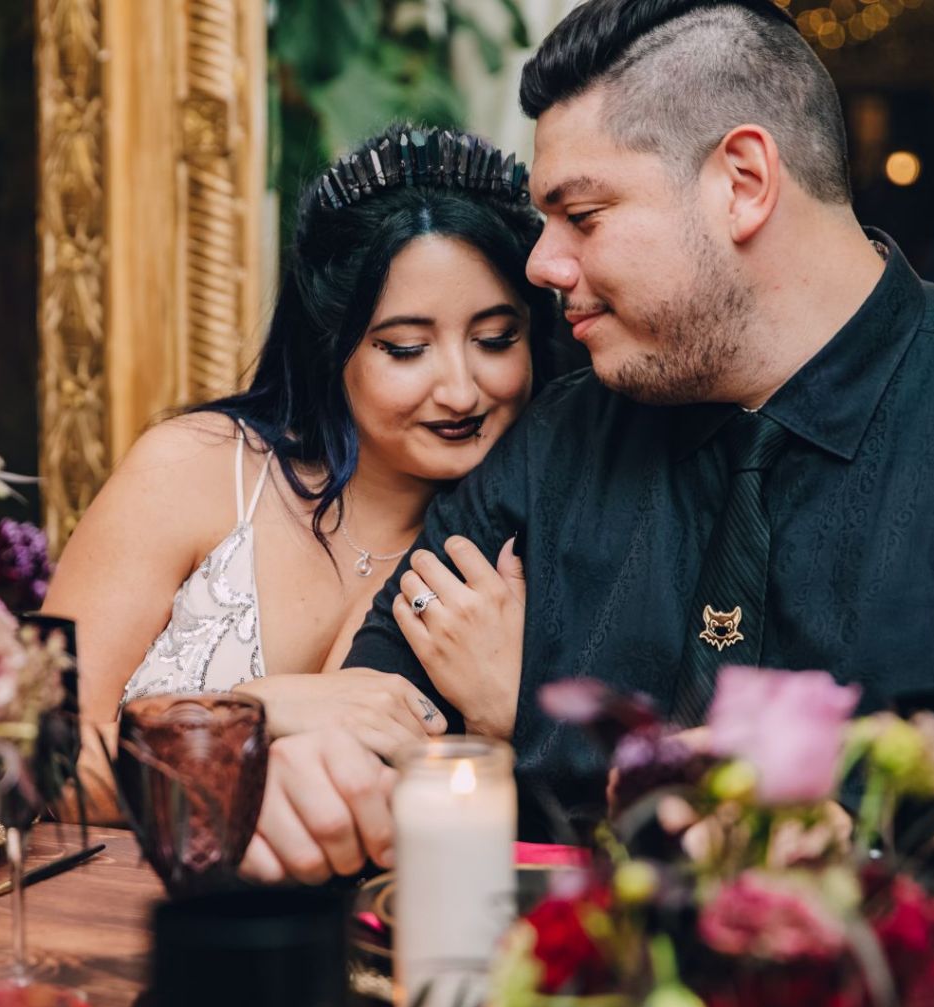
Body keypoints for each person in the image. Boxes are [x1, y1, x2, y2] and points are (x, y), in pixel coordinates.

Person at [241, 0, 934, 883]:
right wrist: (320, 781)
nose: (542, 264)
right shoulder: (553, 442)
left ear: (742, 182)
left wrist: (541, 726)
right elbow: (382, 713)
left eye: (583, 215)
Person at [41, 125, 562, 818]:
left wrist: (502, 720)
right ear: (330, 344)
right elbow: (34, 762)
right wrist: (249, 714)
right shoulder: (192, 470)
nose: (461, 390)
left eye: (496, 340)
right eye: (406, 349)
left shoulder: (540, 540)